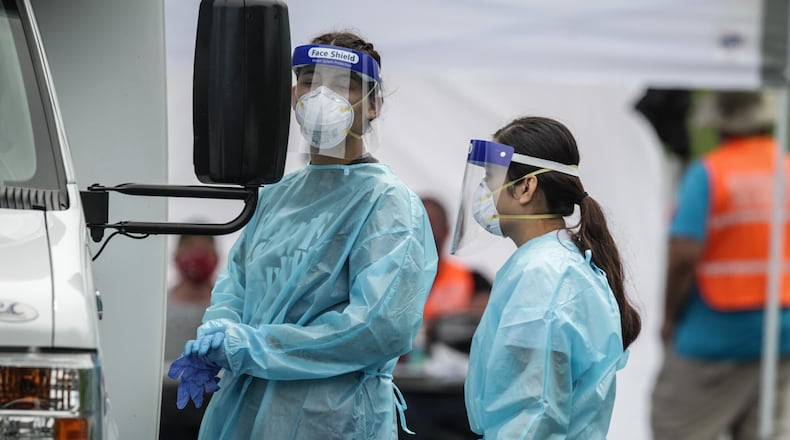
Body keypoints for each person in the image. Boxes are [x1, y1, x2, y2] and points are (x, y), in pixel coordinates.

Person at [170, 31, 438, 439]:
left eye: (341, 84)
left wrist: (249, 348)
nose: (320, 96)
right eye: (310, 80)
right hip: (244, 412)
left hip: (331, 418)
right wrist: (217, 335)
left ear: (374, 105)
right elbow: (236, 287)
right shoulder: (276, 197)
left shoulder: (387, 203)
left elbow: (377, 328)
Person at [452, 116, 641, 438]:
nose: (483, 191)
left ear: (526, 187)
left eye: (490, 177)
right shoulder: (552, 264)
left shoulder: (545, 276)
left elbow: (535, 411)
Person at [651, 90, 790, 439]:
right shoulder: (786, 171)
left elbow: (683, 254)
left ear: (719, 124)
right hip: (781, 335)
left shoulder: (710, 174)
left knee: (675, 429)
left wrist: (668, 317)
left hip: (713, 335)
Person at [159, 234, 219, 440]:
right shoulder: (159, 306)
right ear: (176, 254)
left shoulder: (227, 311)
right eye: (190, 247)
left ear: (217, 256)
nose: (198, 255)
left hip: (215, 403)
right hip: (164, 407)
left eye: (205, 248)